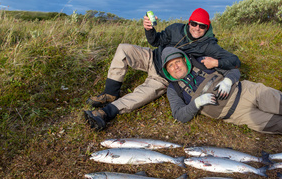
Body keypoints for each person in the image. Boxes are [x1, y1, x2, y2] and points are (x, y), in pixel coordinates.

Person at [84, 8, 241, 130]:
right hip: (153, 57)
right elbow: (156, 41)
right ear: (189, 22)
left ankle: (106, 113)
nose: (197, 28)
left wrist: (216, 63)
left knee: (140, 96)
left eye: (202, 26)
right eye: (194, 23)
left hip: (165, 76)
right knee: (124, 49)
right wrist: (149, 29)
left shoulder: (209, 45)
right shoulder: (175, 29)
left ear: (207, 27)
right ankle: (110, 94)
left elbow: (234, 60)